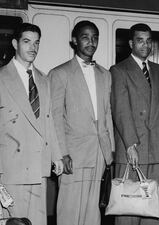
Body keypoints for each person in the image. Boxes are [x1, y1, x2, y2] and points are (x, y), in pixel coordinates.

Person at [0, 23, 63, 225]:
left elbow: (48, 120)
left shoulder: (44, 80)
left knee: (37, 222)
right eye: (27, 42)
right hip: (9, 170)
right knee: (11, 222)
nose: (32, 47)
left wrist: (57, 156)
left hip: (38, 168)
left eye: (36, 43)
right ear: (15, 43)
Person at [48, 20, 114, 225]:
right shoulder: (60, 73)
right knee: (69, 208)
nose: (91, 42)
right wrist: (61, 153)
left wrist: (110, 148)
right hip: (73, 153)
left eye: (95, 37)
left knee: (93, 209)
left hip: (99, 153)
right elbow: (54, 116)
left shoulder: (105, 74)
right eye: (85, 37)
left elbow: (107, 113)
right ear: (74, 40)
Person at [110, 23, 159, 225]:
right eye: (140, 40)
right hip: (132, 149)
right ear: (131, 43)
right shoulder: (119, 70)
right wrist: (130, 145)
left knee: (152, 211)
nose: (145, 45)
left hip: (156, 150)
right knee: (128, 211)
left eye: (149, 40)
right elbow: (120, 110)